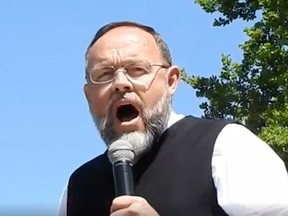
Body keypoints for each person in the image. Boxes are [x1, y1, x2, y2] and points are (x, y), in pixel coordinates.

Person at [58, 21, 288, 216]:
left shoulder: (226, 145)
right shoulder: (78, 187)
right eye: (104, 74)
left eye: (137, 69)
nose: (120, 83)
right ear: (88, 96)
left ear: (171, 81)